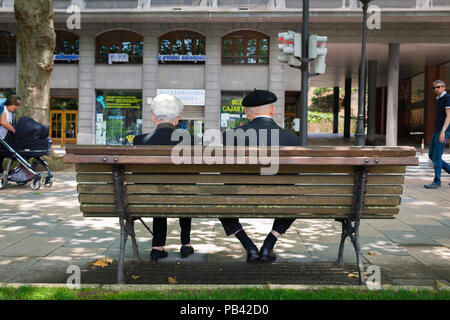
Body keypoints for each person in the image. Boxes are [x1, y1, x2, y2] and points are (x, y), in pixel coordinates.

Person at [220, 89, 301, 263]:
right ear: (272, 110)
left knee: (218, 198)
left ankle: (248, 245)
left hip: (238, 198)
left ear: (246, 113)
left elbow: (223, 173)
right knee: (295, 197)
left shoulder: (228, 137)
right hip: (280, 199)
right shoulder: (293, 141)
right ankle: (268, 243)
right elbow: (295, 178)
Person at [133, 94, 194, 262]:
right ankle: (185, 245)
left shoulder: (139, 141)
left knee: (157, 194)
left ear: (154, 119)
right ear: (176, 120)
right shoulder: (190, 141)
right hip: (184, 196)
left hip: (150, 197)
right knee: (184, 192)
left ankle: (157, 247)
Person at [424, 80, 450, 189]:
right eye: (434, 88)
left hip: (443, 131)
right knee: (432, 156)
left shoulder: (447, 98)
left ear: (444, 87)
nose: (436, 89)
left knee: (437, 157)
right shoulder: (439, 99)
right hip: (437, 131)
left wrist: (443, 131)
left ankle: (437, 181)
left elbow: (449, 116)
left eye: (438, 87)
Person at [0, 95, 21, 174]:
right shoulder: (3, 109)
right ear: (11, 104)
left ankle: (1, 177)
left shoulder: (11, 113)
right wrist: (14, 130)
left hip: (4, 138)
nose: (16, 108)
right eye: (15, 107)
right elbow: (3, 122)